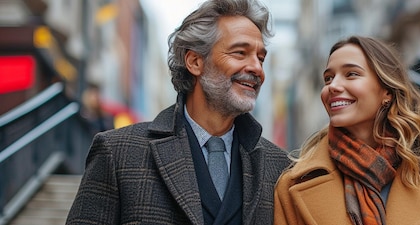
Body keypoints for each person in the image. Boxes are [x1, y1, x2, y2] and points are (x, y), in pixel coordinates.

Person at [66, 0, 291, 224]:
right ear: (194, 62)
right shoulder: (118, 154)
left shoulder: (279, 167)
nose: (257, 68)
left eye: (261, 58)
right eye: (240, 53)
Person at [274, 36, 420, 225]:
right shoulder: (293, 185)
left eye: (351, 74)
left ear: (387, 91)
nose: (333, 86)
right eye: (328, 78)